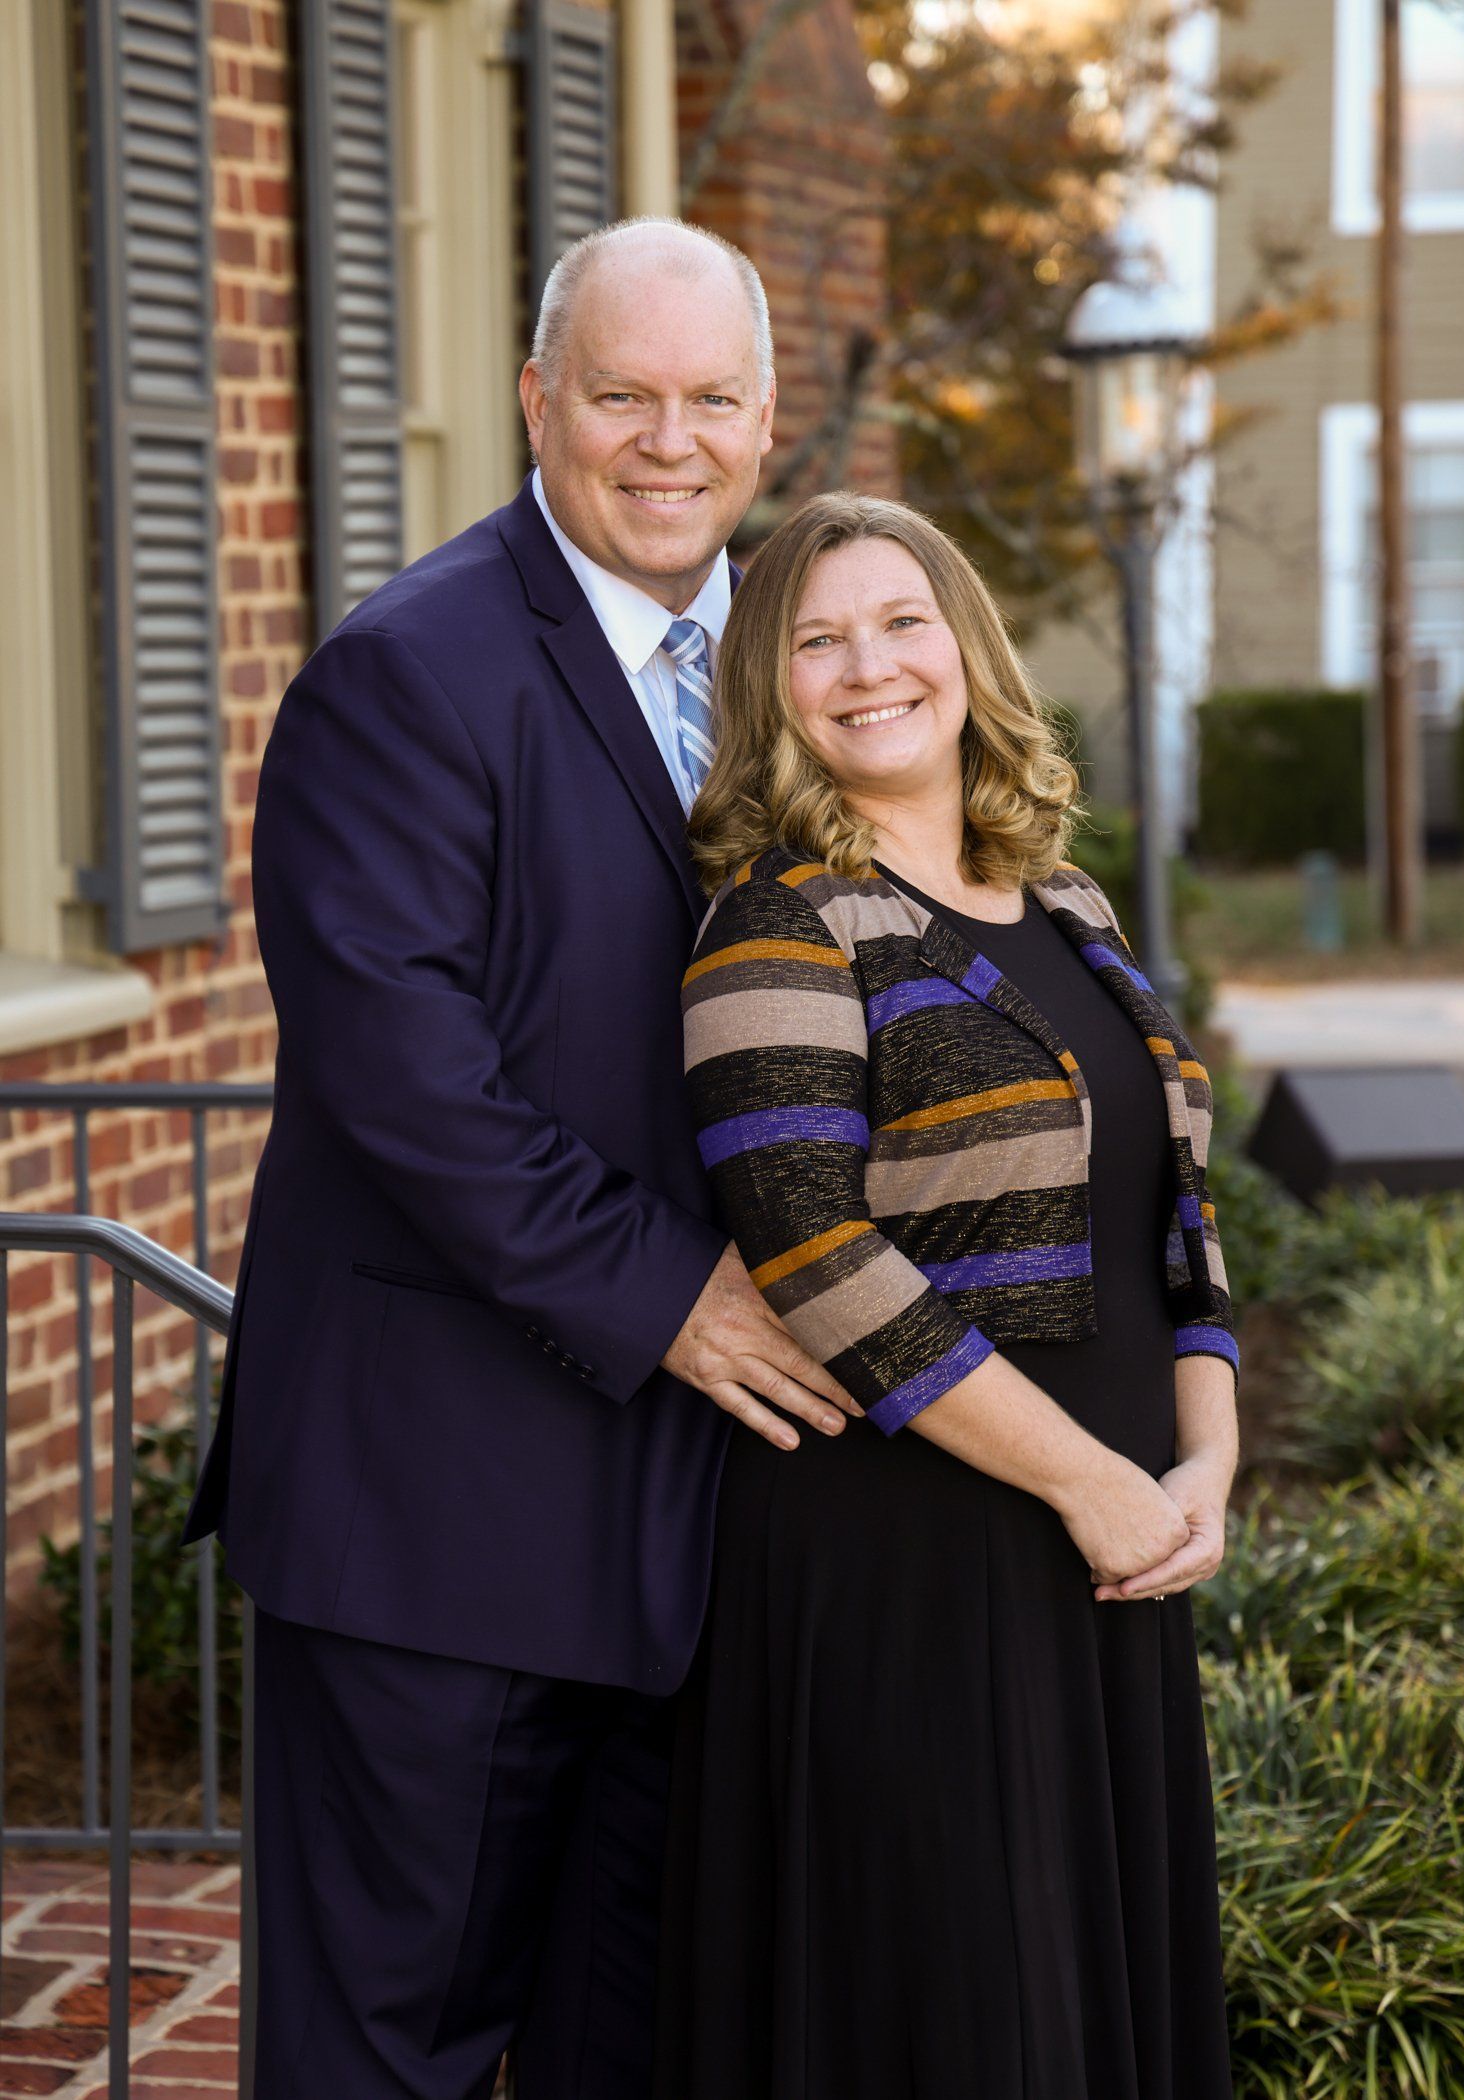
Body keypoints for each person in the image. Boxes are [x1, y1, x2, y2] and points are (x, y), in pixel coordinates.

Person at [183, 219, 860, 2100]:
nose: (669, 441)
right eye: (623, 396)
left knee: (631, 2045)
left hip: (706, 1515)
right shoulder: (409, 673)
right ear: (537, 400)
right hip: (442, 1512)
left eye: (711, 398)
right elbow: (409, 1083)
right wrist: (679, 1295)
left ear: (765, 412)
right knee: (385, 2055)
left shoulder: (793, 670)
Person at [655, 491, 1240, 2100]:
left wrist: (1205, 1464)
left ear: (967, 650)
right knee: (967, 2011)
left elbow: (1178, 1219)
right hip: (912, 1552)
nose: (869, 669)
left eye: (901, 623)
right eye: (818, 643)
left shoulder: (1069, 909)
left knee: (1096, 1983)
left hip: (1111, 1545)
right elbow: (814, 1253)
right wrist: (1094, 1483)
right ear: (771, 692)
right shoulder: (776, 923)